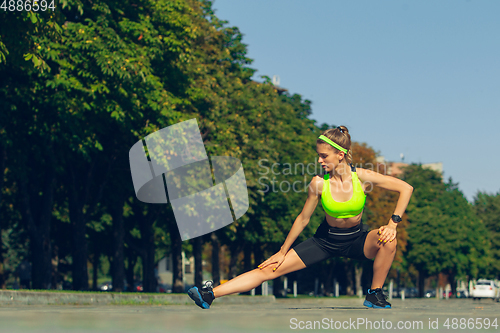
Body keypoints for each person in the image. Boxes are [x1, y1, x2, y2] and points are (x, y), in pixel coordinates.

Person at [188, 126, 413, 309]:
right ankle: (210, 294)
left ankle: (374, 293)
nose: (320, 161)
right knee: (268, 269)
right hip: (325, 241)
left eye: (324, 156)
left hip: (357, 240)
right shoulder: (318, 183)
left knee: (389, 239)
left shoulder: (362, 177)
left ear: (340, 155)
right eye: (319, 156)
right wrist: (282, 251)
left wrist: (393, 223)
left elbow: (406, 188)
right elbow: (303, 219)